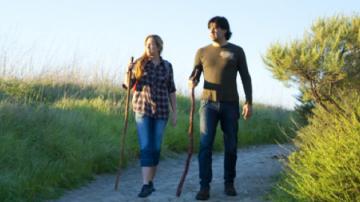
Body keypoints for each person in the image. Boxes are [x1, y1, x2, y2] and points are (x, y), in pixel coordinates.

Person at [188, 16, 252, 200]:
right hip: (208, 104)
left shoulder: (237, 51)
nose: (212, 31)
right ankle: (204, 186)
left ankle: (229, 182)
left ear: (225, 30)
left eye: (216, 28)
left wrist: (249, 102)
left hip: (230, 105)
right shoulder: (202, 52)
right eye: (210, 28)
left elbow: (246, 77)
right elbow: (196, 73)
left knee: (231, 145)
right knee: (205, 144)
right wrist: (193, 80)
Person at [123, 34, 177, 198]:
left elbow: (171, 90)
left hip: (161, 112)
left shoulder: (167, 66)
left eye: (152, 45)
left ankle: (150, 182)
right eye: (147, 45)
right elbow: (128, 85)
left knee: (155, 148)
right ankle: (146, 184)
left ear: (159, 47)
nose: (149, 48)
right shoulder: (139, 63)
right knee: (146, 146)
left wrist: (175, 112)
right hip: (142, 110)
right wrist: (128, 71)